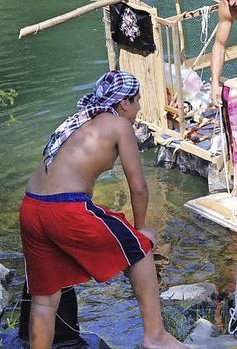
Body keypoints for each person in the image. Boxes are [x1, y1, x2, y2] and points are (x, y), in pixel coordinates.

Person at [19, 70, 188, 349]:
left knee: (46, 297)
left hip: (31, 206)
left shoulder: (76, 122)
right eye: (137, 101)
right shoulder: (119, 125)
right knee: (140, 248)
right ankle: (155, 336)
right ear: (124, 103)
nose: (139, 107)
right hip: (65, 209)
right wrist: (142, 226)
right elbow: (139, 187)